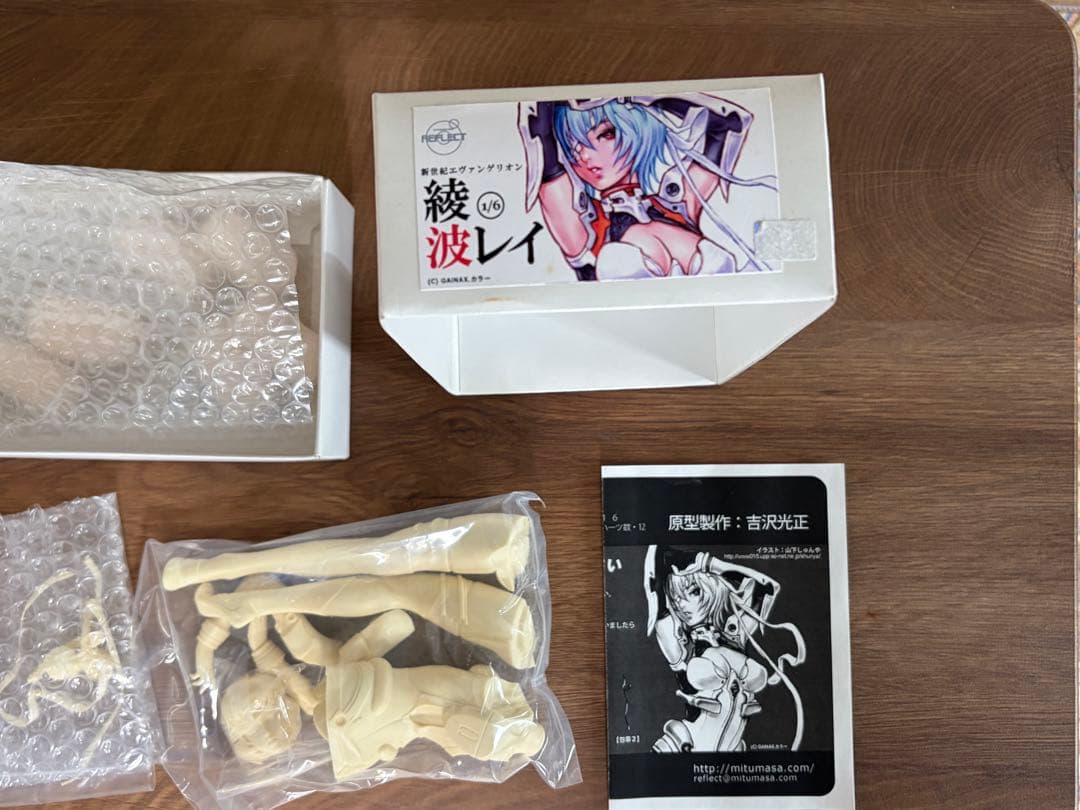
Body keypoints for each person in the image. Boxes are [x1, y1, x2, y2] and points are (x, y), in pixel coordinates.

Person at [519, 94, 777, 281]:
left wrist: (642, 96)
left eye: (605, 134)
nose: (584, 156)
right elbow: (537, 127)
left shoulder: (676, 204)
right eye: (573, 147)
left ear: (639, 130)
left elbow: (728, 122)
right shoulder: (585, 227)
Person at [644, 546, 805, 753]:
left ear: (711, 588)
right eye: (676, 599)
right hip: (683, 746)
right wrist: (692, 561)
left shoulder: (734, 634)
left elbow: (765, 587)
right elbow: (654, 574)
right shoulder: (681, 644)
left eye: (693, 592)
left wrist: (709, 565)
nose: (682, 605)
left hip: (731, 751)